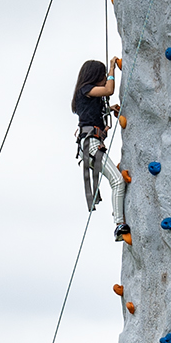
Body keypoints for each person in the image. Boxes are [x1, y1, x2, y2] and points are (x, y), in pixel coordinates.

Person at [72, 57, 130, 241]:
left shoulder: (87, 96)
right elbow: (109, 90)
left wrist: (107, 109)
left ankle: (119, 222)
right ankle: (119, 225)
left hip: (92, 144)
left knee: (117, 181)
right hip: (91, 144)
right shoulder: (85, 89)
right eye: (102, 75)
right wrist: (112, 69)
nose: (104, 78)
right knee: (118, 181)